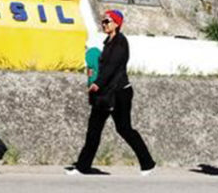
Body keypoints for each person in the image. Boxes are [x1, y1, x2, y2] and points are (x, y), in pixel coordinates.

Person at [66, 10, 156, 176]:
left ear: (116, 23)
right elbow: (102, 68)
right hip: (105, 93)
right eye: (103, 21)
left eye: (107, 21)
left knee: (124, 129)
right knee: (93, 130)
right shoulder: (108, 41)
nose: (104, 24)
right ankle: (82, 166)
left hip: (119, 93)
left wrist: (97, 84)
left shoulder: (120, 43)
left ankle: (148, 163)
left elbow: (112, 67)